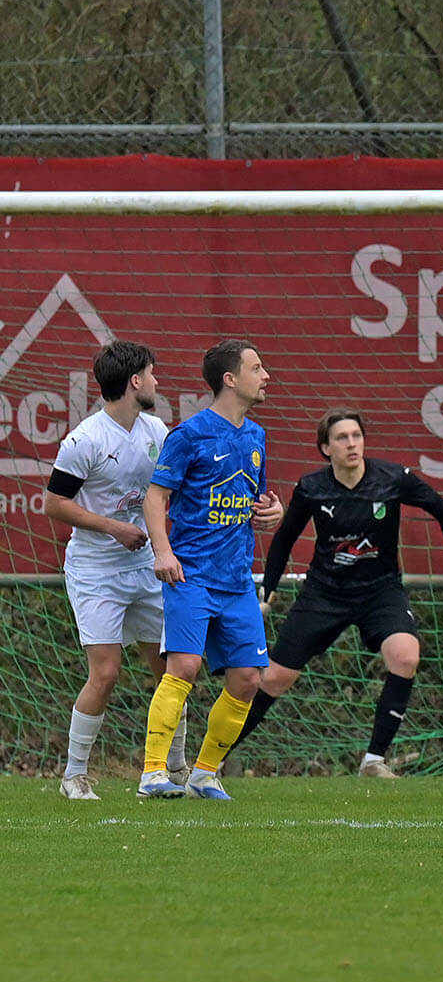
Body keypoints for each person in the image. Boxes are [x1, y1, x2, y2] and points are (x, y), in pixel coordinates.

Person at [233, 409, 443, 777]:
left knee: (405, 656)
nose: (352, 444)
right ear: (325, 448)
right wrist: (269, 591)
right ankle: (209, 760)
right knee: (274, 679)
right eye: (342, 438)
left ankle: (374, 760)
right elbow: (284, 539)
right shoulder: (311, 487)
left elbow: (441, 509)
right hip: (324, 593)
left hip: (381, 591)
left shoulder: (393, 478)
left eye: (356, 435)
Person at [138, 339, 283, 800]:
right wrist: (164, 552)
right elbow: (155, 498)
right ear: (230, 379)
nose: (266, 377)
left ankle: (204, 773)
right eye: (257, 368)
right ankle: (153, 774)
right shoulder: (189, 435)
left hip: (237, 579)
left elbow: (253, 497)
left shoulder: (256, 436)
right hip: (191, 573)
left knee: (248, 679)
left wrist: (271, 511)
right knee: (184, 664)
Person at [45, 340, 188, 799]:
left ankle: (176, 768)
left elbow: (169, 493)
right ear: (134, 381)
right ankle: (74, 775)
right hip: (95, 571)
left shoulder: (157, 431)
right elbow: (54, 504)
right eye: (152, 373)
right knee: (105, 673)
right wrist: (113, 528)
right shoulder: (85, 439)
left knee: (172, 670)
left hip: (146, 567)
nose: (157, 381)